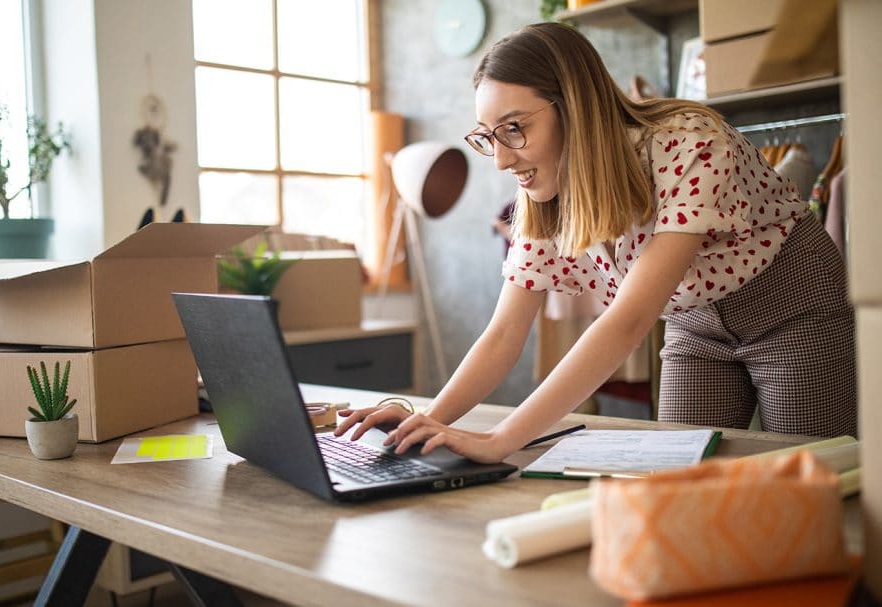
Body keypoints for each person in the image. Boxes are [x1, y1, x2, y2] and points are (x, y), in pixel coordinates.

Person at [335, 23, 856, 463]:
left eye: (514, 128)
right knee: (677, 475)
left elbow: (628, 322)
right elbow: (504, 333)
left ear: (576, 109)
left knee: (810, 472)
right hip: (695, 324)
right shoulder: (541, 200)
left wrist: (501, 440)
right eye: (489, 136)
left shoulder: (691, 144)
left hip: (792, 306)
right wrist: (425, 420)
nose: (500, 159)